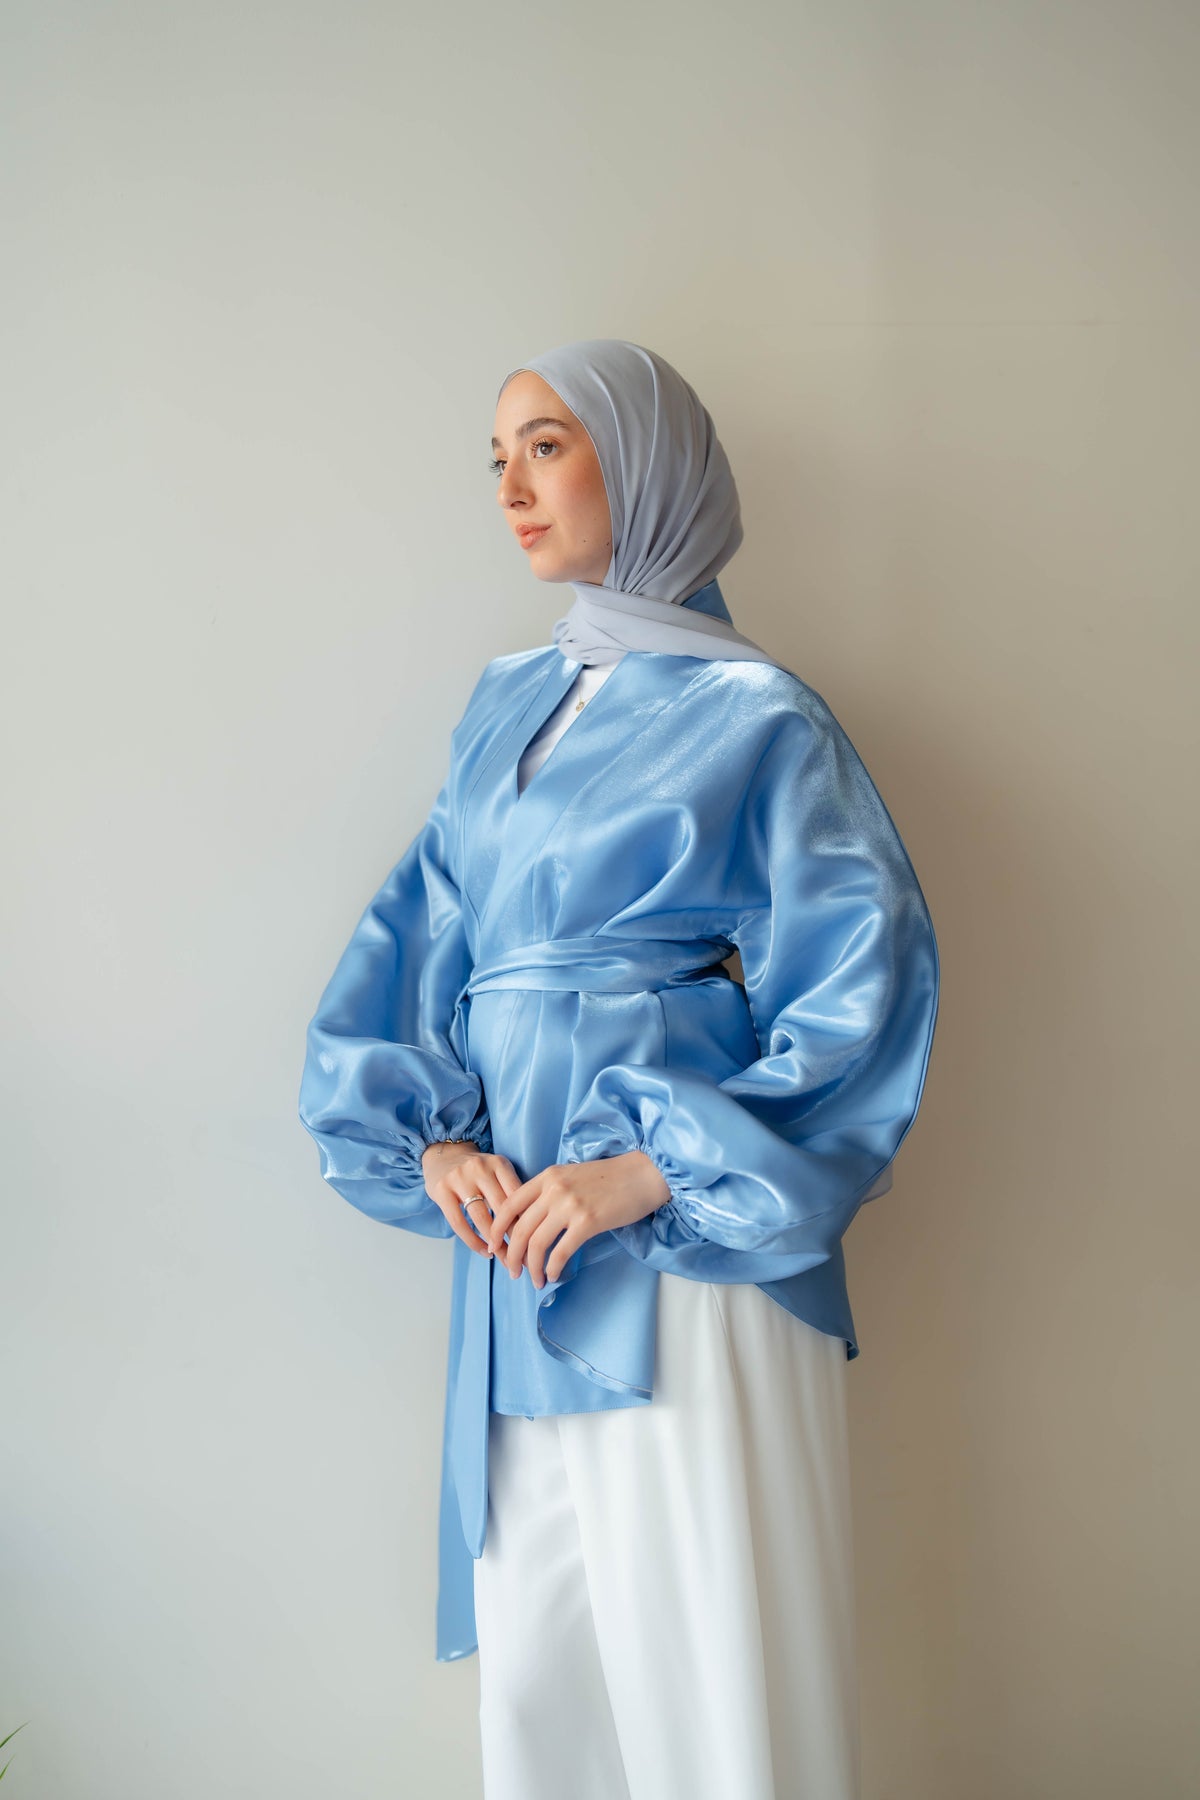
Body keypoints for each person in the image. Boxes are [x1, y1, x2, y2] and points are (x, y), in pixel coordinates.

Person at [298, 338, 941, 1799]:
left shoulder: (760, 715)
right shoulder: (502, 710)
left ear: (646, 464)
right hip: (517, 1251)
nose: (512, 488)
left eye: (548, 445)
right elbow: (418, 942)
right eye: (498, 458)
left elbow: (865, 995)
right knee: (548, 1681)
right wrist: (431, 1145)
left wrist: (654, 1170)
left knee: (711, 1677)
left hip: (691, 1254)